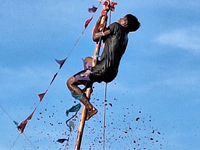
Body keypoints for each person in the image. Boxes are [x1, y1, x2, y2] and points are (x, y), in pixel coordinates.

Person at [67, 14, 140, 121]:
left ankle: (90, 108)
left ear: (125, 23)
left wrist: (98, 23)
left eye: (122, 18)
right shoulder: (125, 38)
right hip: (112, 73)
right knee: (88, 60)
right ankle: (88, 86)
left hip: (103, 68)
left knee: (70, 83)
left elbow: (95, 37)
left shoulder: (115, 26)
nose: (119, 19)